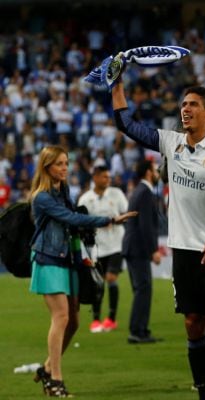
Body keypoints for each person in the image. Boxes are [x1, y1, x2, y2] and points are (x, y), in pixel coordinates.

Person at [111, 69, 205, 400]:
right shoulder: (171, 141)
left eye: (193, 104)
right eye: (183, 104)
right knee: (193, 324)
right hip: (183, 250)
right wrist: (117, 83)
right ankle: (204, 392)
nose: (185, 110)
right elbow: (126, 124)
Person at [29, 146, 136, 397]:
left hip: (68, 259)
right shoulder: (42, 197)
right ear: (47, 167)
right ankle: (56, 380)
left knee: (74, 322)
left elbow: (72, 225)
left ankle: (46, 369)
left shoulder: (62, 190)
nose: (65, 168)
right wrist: (109, 220)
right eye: (59, 164)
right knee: (61, 318)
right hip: (48, 258)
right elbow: (71, 219)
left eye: (66, 163)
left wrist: (82, 258)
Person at [77, 165, 128, 334]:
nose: (108, 180)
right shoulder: (85, 199)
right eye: (105, 177)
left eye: (109, 177)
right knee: (97, 282)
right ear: (95, 178)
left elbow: (126, 214)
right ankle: (96, 320)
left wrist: (119, 221)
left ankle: (111, 319)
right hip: (97, 248)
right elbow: (81, 222)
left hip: (116, 244)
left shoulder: (117, 194)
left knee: (111, 278)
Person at [122, 159, 162, 344]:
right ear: (148, 173)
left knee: (142, 289)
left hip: (133, 247)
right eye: (155, 170)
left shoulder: (139, 191)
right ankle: (137, 331)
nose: (157, 174)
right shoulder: (145, 193)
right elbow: (146, 225)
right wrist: (153, 250)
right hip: (138, 248)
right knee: (143, 289)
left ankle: (140, 330)